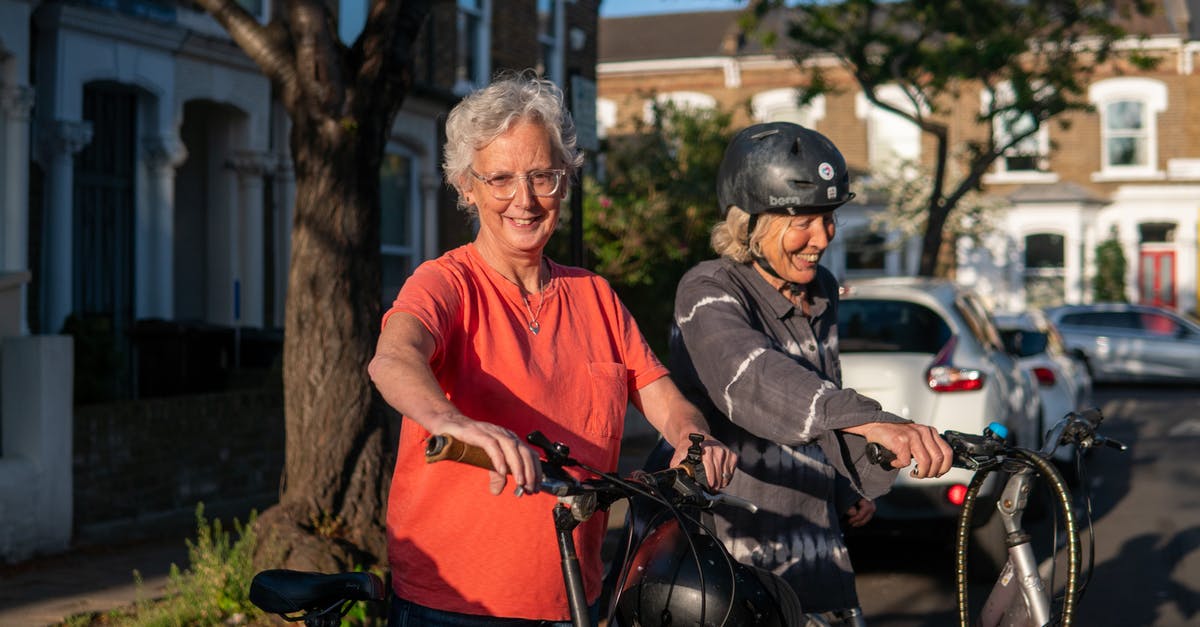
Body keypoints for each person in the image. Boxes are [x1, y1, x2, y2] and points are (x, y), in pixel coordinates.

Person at [367, 70, 737, 627]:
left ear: (565, 181)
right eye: (500, 179)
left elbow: (664, 399)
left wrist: (694, 437)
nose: (525, 199)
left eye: (543, 176)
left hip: (573, 599)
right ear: (467, 187)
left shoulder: (596, 297)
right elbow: (393, 359)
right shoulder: (446, 283)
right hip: (454, 605)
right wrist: (454, 422)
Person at [662, 121, 955, 625]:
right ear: (749, 223)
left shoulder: (819, 290)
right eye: (803, 220)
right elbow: (749, 378)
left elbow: (821, 391)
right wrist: (873, 419)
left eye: (829, 217)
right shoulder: (708, 289)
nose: (823, 237)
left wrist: (847, 485)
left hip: (820, 557)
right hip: (734, 566)